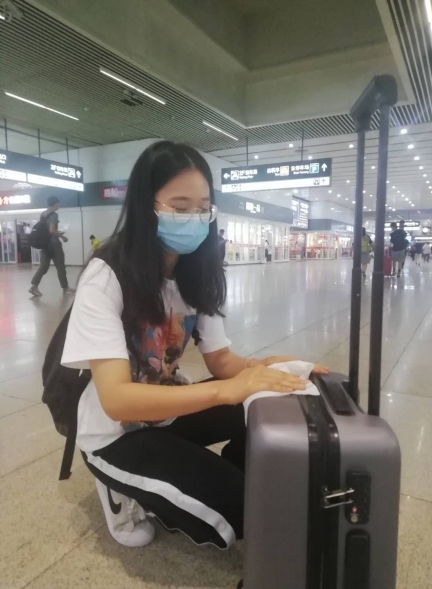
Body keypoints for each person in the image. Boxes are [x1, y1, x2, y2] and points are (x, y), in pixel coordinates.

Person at [60, 142, 329, 550]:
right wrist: (226, 390)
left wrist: (262, 367)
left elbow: (220, 360)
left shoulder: (197, 271)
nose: (194, 218)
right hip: (115, 434)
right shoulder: (107, 275)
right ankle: (119, 484)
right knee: (247, 509)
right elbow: (116, 399)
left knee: (270, 408)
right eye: (180, 207)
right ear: (146, 206)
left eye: (203, 208)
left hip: (168, 413)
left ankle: (193, 474)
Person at [29, 196, 76, 296]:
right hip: (54, 245)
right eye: (58, 204)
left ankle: (34, 287)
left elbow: (47, 230)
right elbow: (51, 230)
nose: (58, 206)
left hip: (45, 244)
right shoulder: (54, 215)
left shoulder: (43, 214)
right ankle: (65, 288)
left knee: (43, 267)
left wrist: (56, 232)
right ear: (55, 204)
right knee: (60, 267)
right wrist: (62, 236)